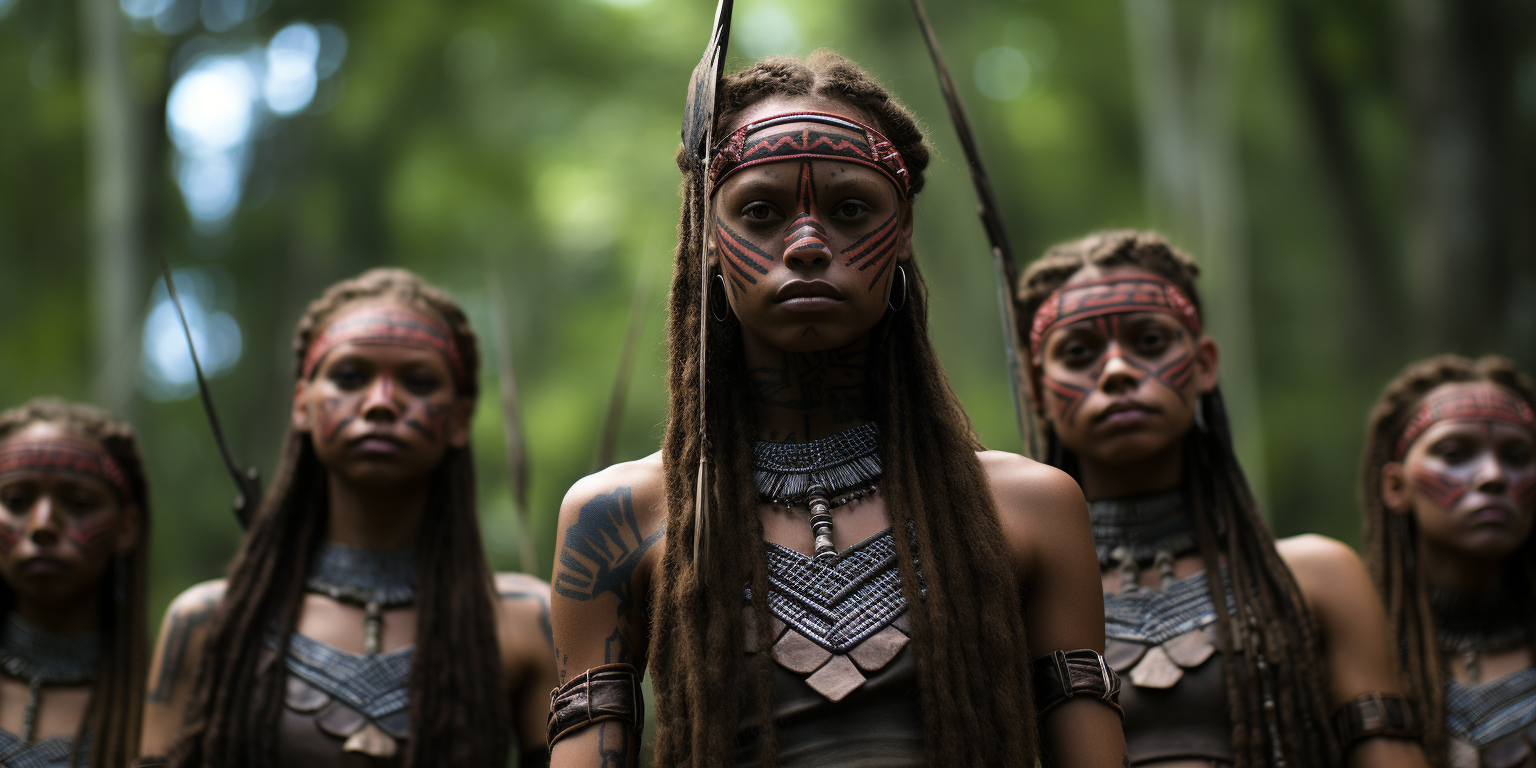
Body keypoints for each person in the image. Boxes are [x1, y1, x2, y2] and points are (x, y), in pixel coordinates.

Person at [548, 52, 1126, 768]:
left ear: (904, 228)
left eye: (852, 209)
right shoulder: (615, 518)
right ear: (707, 234)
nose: (809, 245)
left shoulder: (1032, 507)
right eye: (760, 212)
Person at [1014, 230, 1429, 768]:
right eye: (1078, 352)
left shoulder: (1319, 581)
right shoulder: (1007, 596)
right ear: (1036, 387)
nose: (1116, 371)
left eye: (1150, 342)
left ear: (1205, 364)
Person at [138, 268, 556, 767]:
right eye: (350, 377)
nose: (381, 403)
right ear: (302, 404)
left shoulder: (527, 620)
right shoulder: (207, 623)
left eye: (418, 381)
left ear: (461, 418)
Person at [1360, 355, 1536, 768]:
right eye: (1455, 453)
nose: (1493, 475)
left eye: (1516, 457)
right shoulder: (1353, 651)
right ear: (1395, 486)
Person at [0, 398, 149, 767]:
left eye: (79, 504)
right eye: (17, 501)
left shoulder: (165, 704)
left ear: (126, 528)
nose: (43, 526)